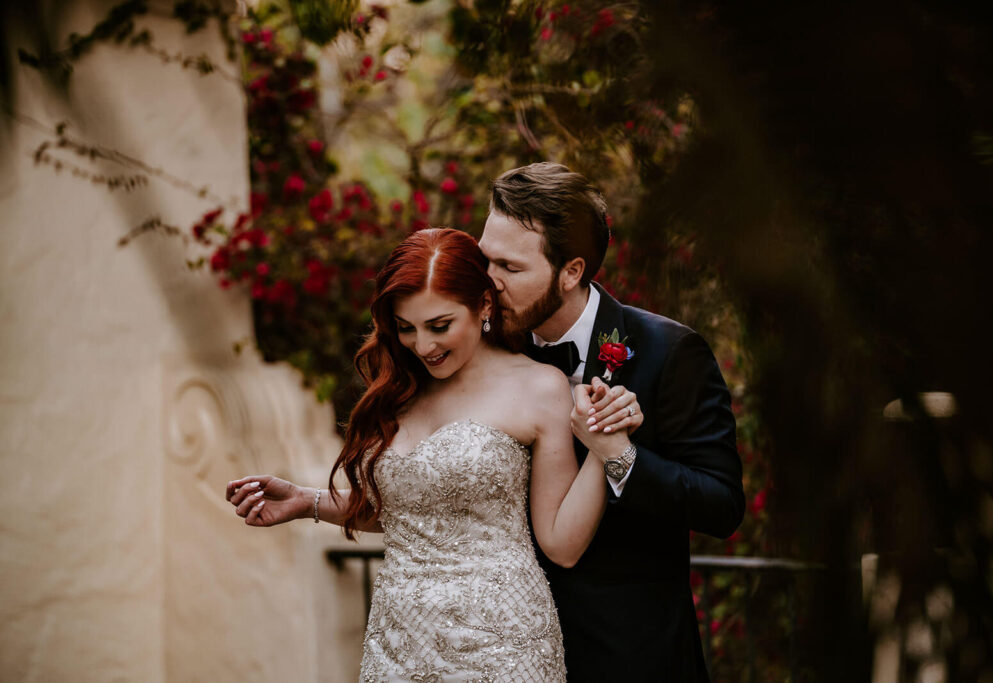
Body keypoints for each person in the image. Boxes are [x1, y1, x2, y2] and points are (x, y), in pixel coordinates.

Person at [226, 228, 642, 681]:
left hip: (501, 646)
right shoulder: (399, 391)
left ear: (484, 305)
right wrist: (305, 501)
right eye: (406, 328)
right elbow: (408, 514)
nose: (423, 346)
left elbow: (561, 545)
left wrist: (605, 448)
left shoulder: (539, 388)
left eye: (440, 326)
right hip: (397, 646)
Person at [477, 162, 745, 682]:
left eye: (509, 268)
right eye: (483, 259)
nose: (488, 282)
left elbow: (722, 505)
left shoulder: (670, 353)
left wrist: (620, 457)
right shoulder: (482, 350)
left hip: (632, 656)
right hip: (503, 654)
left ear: (571, 271)